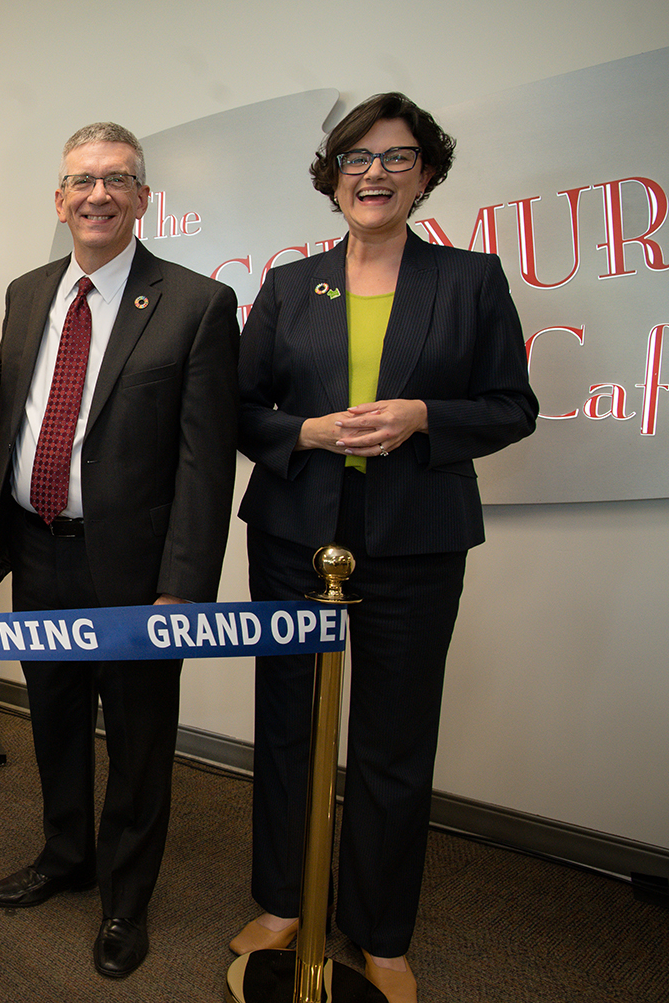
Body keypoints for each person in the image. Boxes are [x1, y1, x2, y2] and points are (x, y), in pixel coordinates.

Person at [231, 93, 537, 1003]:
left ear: (427, 175)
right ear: (332, 176)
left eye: (397, 158)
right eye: (357, 157)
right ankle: (283, 901)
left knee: (393, 740)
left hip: (417, 539)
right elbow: (241, 410)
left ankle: (381, 929)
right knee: (288, 726)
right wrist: (311, 435)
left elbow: (511, 407)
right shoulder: (290, 287)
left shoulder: (472, 280)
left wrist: (423, 417)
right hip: (295, 534)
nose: (375, 172)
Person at [0, 122, 239, 979]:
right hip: (40, 548)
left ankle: (126, 899)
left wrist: (183, 592)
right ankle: (67, 855)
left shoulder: (196, 304)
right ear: (58, 199)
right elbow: (3, 428)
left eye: (116, 179)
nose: (97, 194)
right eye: (81, 180)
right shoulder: (22, 295)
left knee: (137, 740)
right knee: (52, 719)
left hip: (136, 574)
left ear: (142, 198)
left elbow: (206, 466)